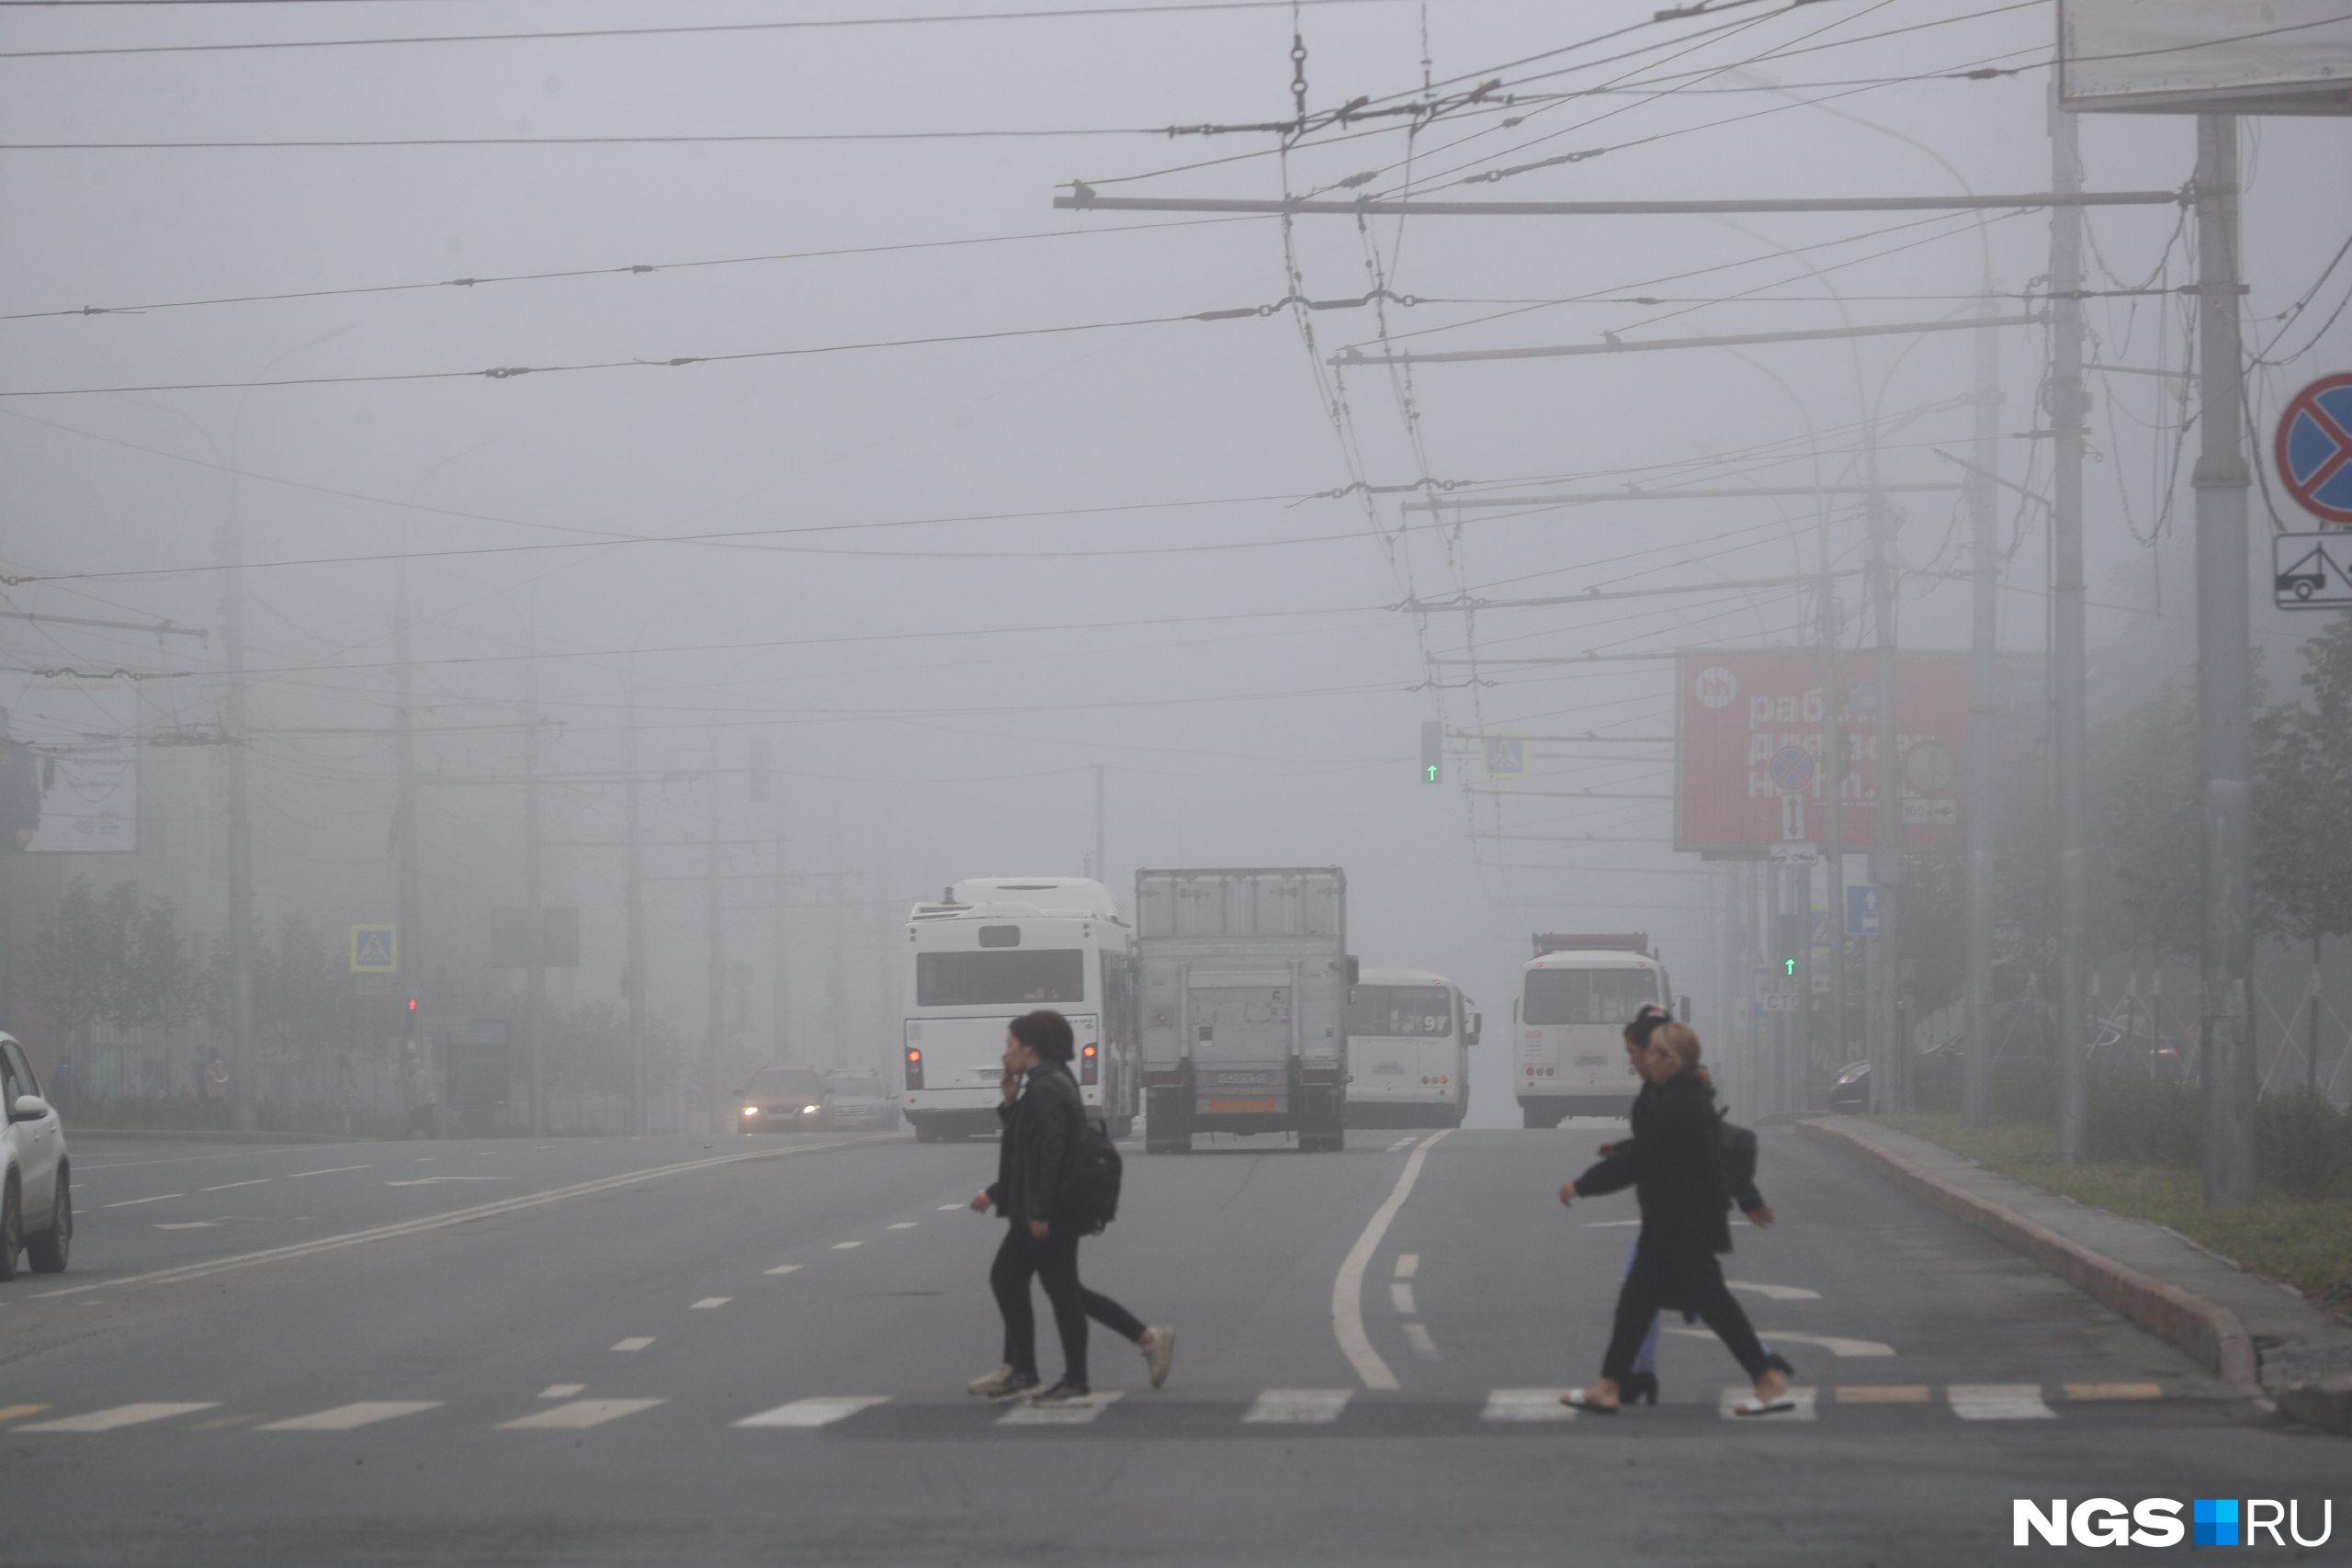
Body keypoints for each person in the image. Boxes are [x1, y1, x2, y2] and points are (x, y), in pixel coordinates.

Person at [1559, 1023, 1794, 1416]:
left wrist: (1582, 1186)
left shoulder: (1681, 1103)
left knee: (1715, 1306)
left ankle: (1767, 1377)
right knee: (1634, 1305)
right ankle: (1609, 1384)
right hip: (1669, 1223)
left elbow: (1645, 1159)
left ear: (1671, 1061)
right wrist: (1620, 1151)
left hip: (1684, 1225)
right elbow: (1655, 1148)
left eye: (1652, 1052)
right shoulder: (1675, 1098)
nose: (1644, 1058)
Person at [966, 1010, 1174, 1405]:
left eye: (1010, 1045)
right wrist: (1010, 1103)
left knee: (1058, 1291)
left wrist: (1040, 1212)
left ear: (1030, 1048)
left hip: (1049, 1210)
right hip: (1041, 1205)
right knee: (1019, 1281)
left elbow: (1049, 1152)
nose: (1005, 1053)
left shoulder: (1047, 1088)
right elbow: (1029, 1145)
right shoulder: (1048, 1081)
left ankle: (1072, 1375)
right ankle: (1022, 1369)